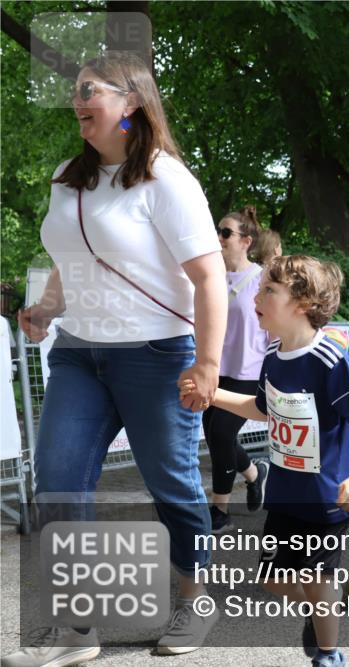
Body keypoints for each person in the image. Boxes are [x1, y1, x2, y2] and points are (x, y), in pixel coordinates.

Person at [9, 52, 226, 665]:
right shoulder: (67, 175)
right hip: (79, 354)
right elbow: (70, 259)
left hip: (157, 355)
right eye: (76, 92)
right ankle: (78, 630)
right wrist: (49, 308)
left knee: (172, 487)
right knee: (57, 481)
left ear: (131, 103)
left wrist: (206, 364)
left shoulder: (167, 179)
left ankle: (193, 599)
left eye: (91, 91)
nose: (78, 101)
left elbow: (209, 278)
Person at [182, 255, 349, 667]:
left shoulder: (331, 359)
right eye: (260, 288)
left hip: (328, 497)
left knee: (314, 578)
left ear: (303, 304)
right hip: (286, 493)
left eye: (269, 290)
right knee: (273, 581)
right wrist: (210, 394)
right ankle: (322, 607)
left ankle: (329, 653)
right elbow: (261, 408)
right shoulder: (272, 355)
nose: (258, 295)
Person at [204, 206, 269, 534]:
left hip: (250, 372)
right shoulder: (209, 275)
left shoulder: (262, 277)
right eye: (218, 230)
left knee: (221, 433)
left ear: (246, 241)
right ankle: (256, 474)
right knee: (215, 436)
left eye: (226, 232)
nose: (219, 237)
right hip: (215, 370)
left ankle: (220, 510)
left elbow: (274, 325)